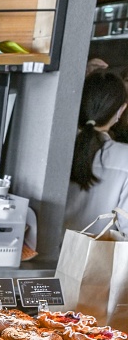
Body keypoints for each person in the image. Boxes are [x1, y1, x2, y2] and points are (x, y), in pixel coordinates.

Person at [66, 71, 128, 231]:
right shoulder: (124, 157)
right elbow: (126, 225)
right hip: (99, 254)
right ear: (120, 110)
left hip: (41, 251)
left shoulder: (52, 149)